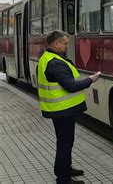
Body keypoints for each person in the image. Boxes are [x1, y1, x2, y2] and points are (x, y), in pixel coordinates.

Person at [37, 30, 100, 184]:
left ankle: (65, 169)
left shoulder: (48, 58)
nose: (66, 46)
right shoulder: (55, 63)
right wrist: (90, 80)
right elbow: (70, 86)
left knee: (64, 141)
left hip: (58, 109)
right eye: (64, 43)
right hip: (62, 110)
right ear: (56, 43)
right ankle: (64, 179)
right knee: (65, 143)